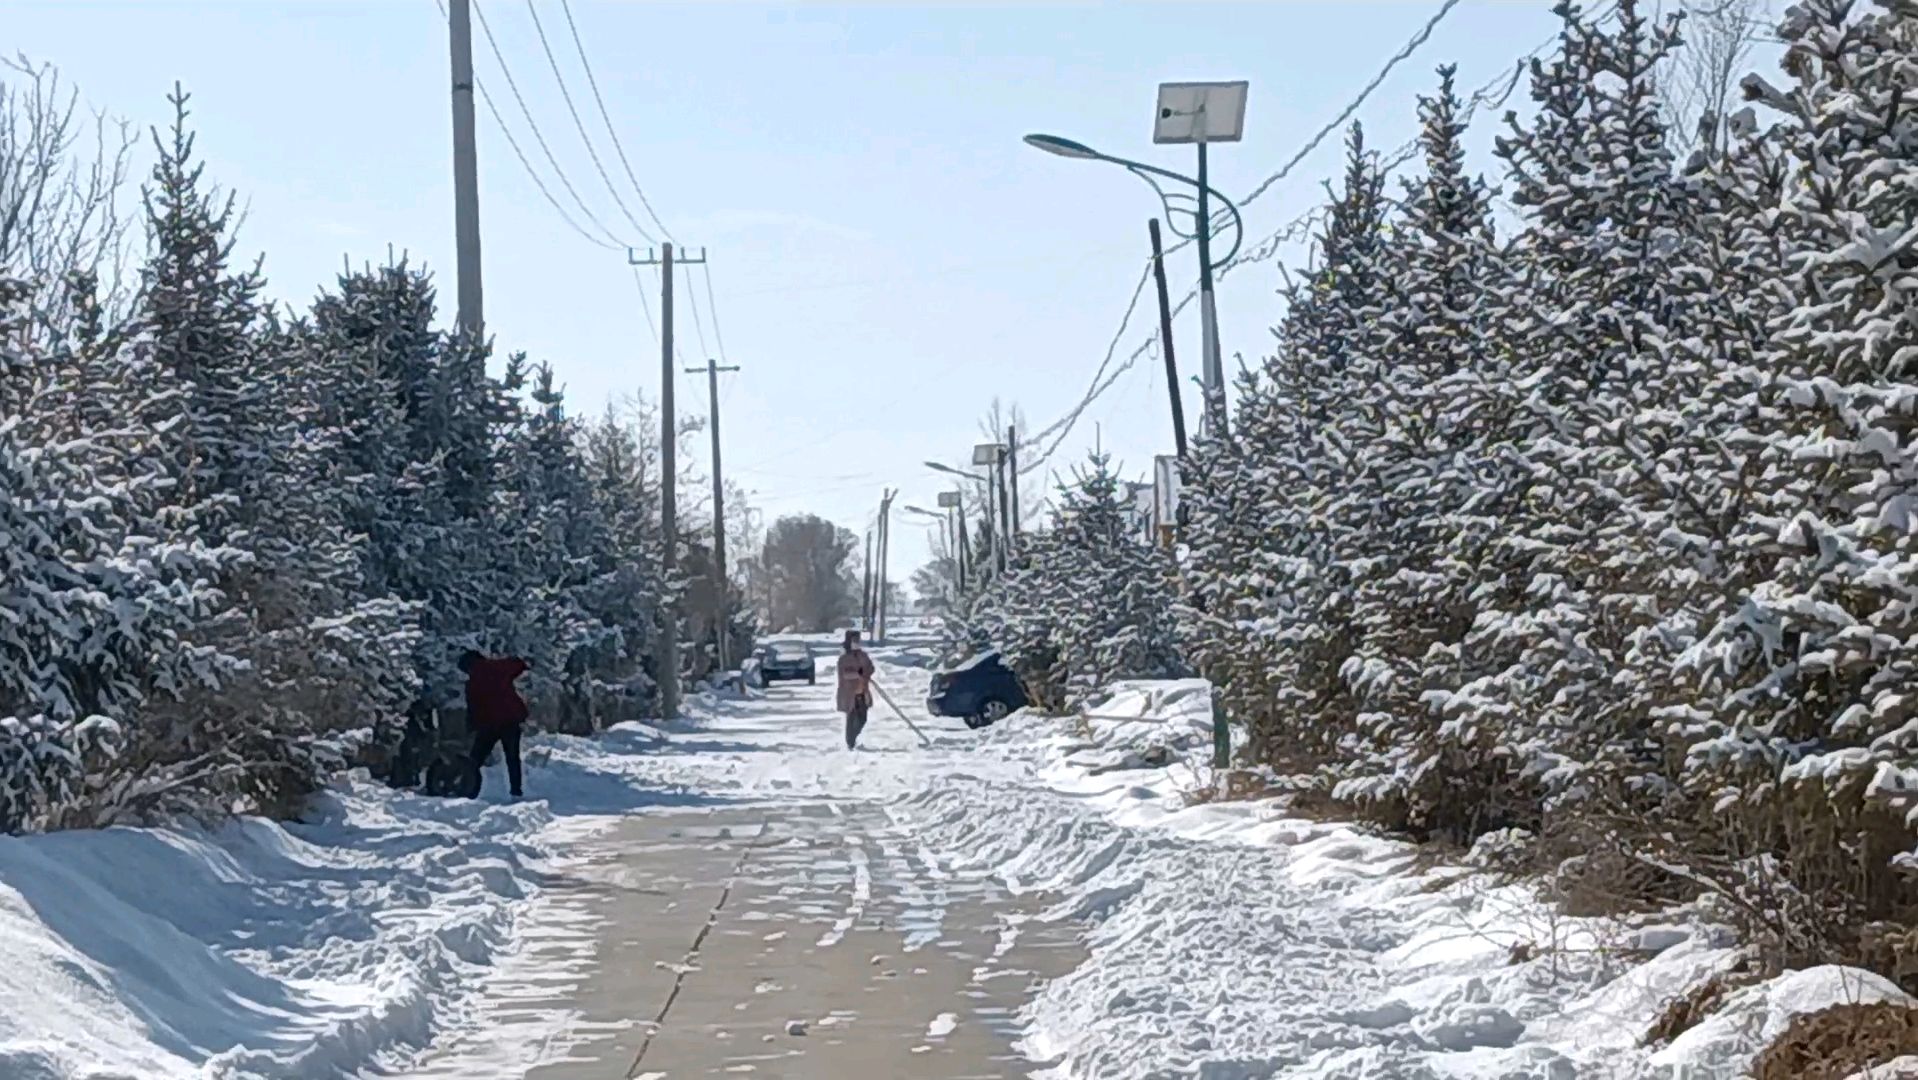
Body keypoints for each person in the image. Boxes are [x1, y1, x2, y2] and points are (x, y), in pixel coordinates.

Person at [459, 649, 530, 798]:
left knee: (475, 759)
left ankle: (466, 788)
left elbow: (473, 708)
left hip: (488, 724)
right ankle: (516, 791)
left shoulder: (472, 683)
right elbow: (519, 664)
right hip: (510, 720)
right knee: (512, 757)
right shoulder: (497, 666)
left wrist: (471, 727)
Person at [836, 629, 875, 750]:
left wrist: (867, 672)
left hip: (863, 691)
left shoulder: (863, 655)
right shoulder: (844, 658)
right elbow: (845, 674)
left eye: (858, 640)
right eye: (854, 640)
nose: (857, 643)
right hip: (849, 694)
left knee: (863, 718)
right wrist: (857, 673)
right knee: (851, 717)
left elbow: (870, 667)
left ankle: (854, 736)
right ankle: (850, 741)